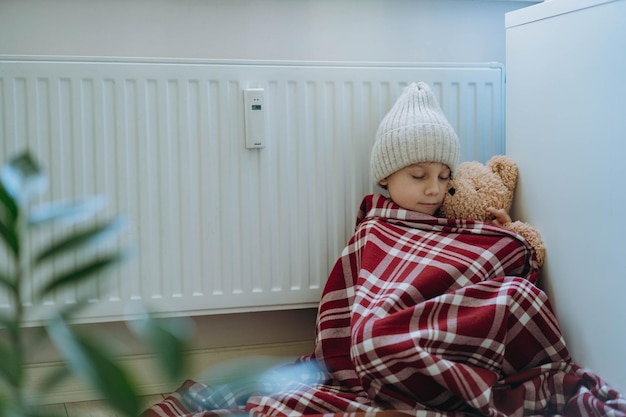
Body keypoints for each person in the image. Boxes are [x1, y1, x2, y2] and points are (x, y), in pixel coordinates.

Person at [371, 81, 511, 224]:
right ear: (385, 175)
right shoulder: (374, 228)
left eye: (444, 177)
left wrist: (496, 231)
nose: (434, 190)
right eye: (418, 176)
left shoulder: (454, 219)